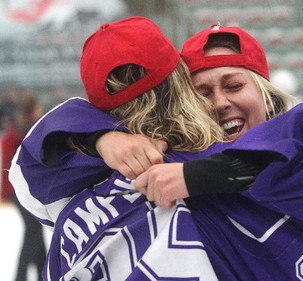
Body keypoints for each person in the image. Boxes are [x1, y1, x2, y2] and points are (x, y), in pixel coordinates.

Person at [10, 20, 303, 281]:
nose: (220, 103)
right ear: (183, 97)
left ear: (266, 91)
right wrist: (100, 139)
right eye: (203, 92)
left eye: (233, 85)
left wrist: (204, 174)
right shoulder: (135, 174)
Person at [10, 16, 227, 280]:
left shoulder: (74, 189)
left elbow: (25, 174)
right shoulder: (226, 168)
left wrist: (94, 138)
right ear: (181, 79)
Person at [1, 92, 46, 281]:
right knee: (33, 231)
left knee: (35, 231)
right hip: (20, 191)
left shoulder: (19, 130)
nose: (41, 111)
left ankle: (43, 273)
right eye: (38, 108)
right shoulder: (27, 131)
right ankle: (21, 277)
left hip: (20, 190)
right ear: (32, 110)